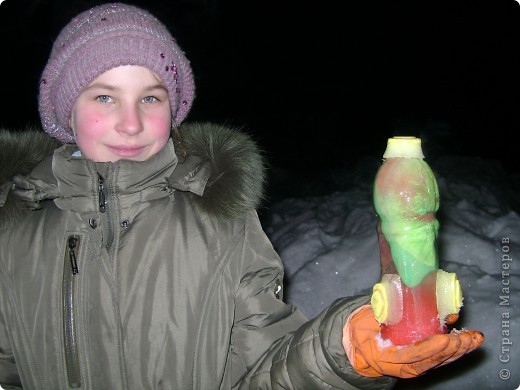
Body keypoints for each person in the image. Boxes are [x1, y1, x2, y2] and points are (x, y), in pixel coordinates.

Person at [0, 3, 483, 389]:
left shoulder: (220, 218)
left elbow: (267, 370)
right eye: (104, 97)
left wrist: (348, 350)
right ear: (65, 109)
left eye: (151, 97)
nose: (131, 122)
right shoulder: (12, 228)